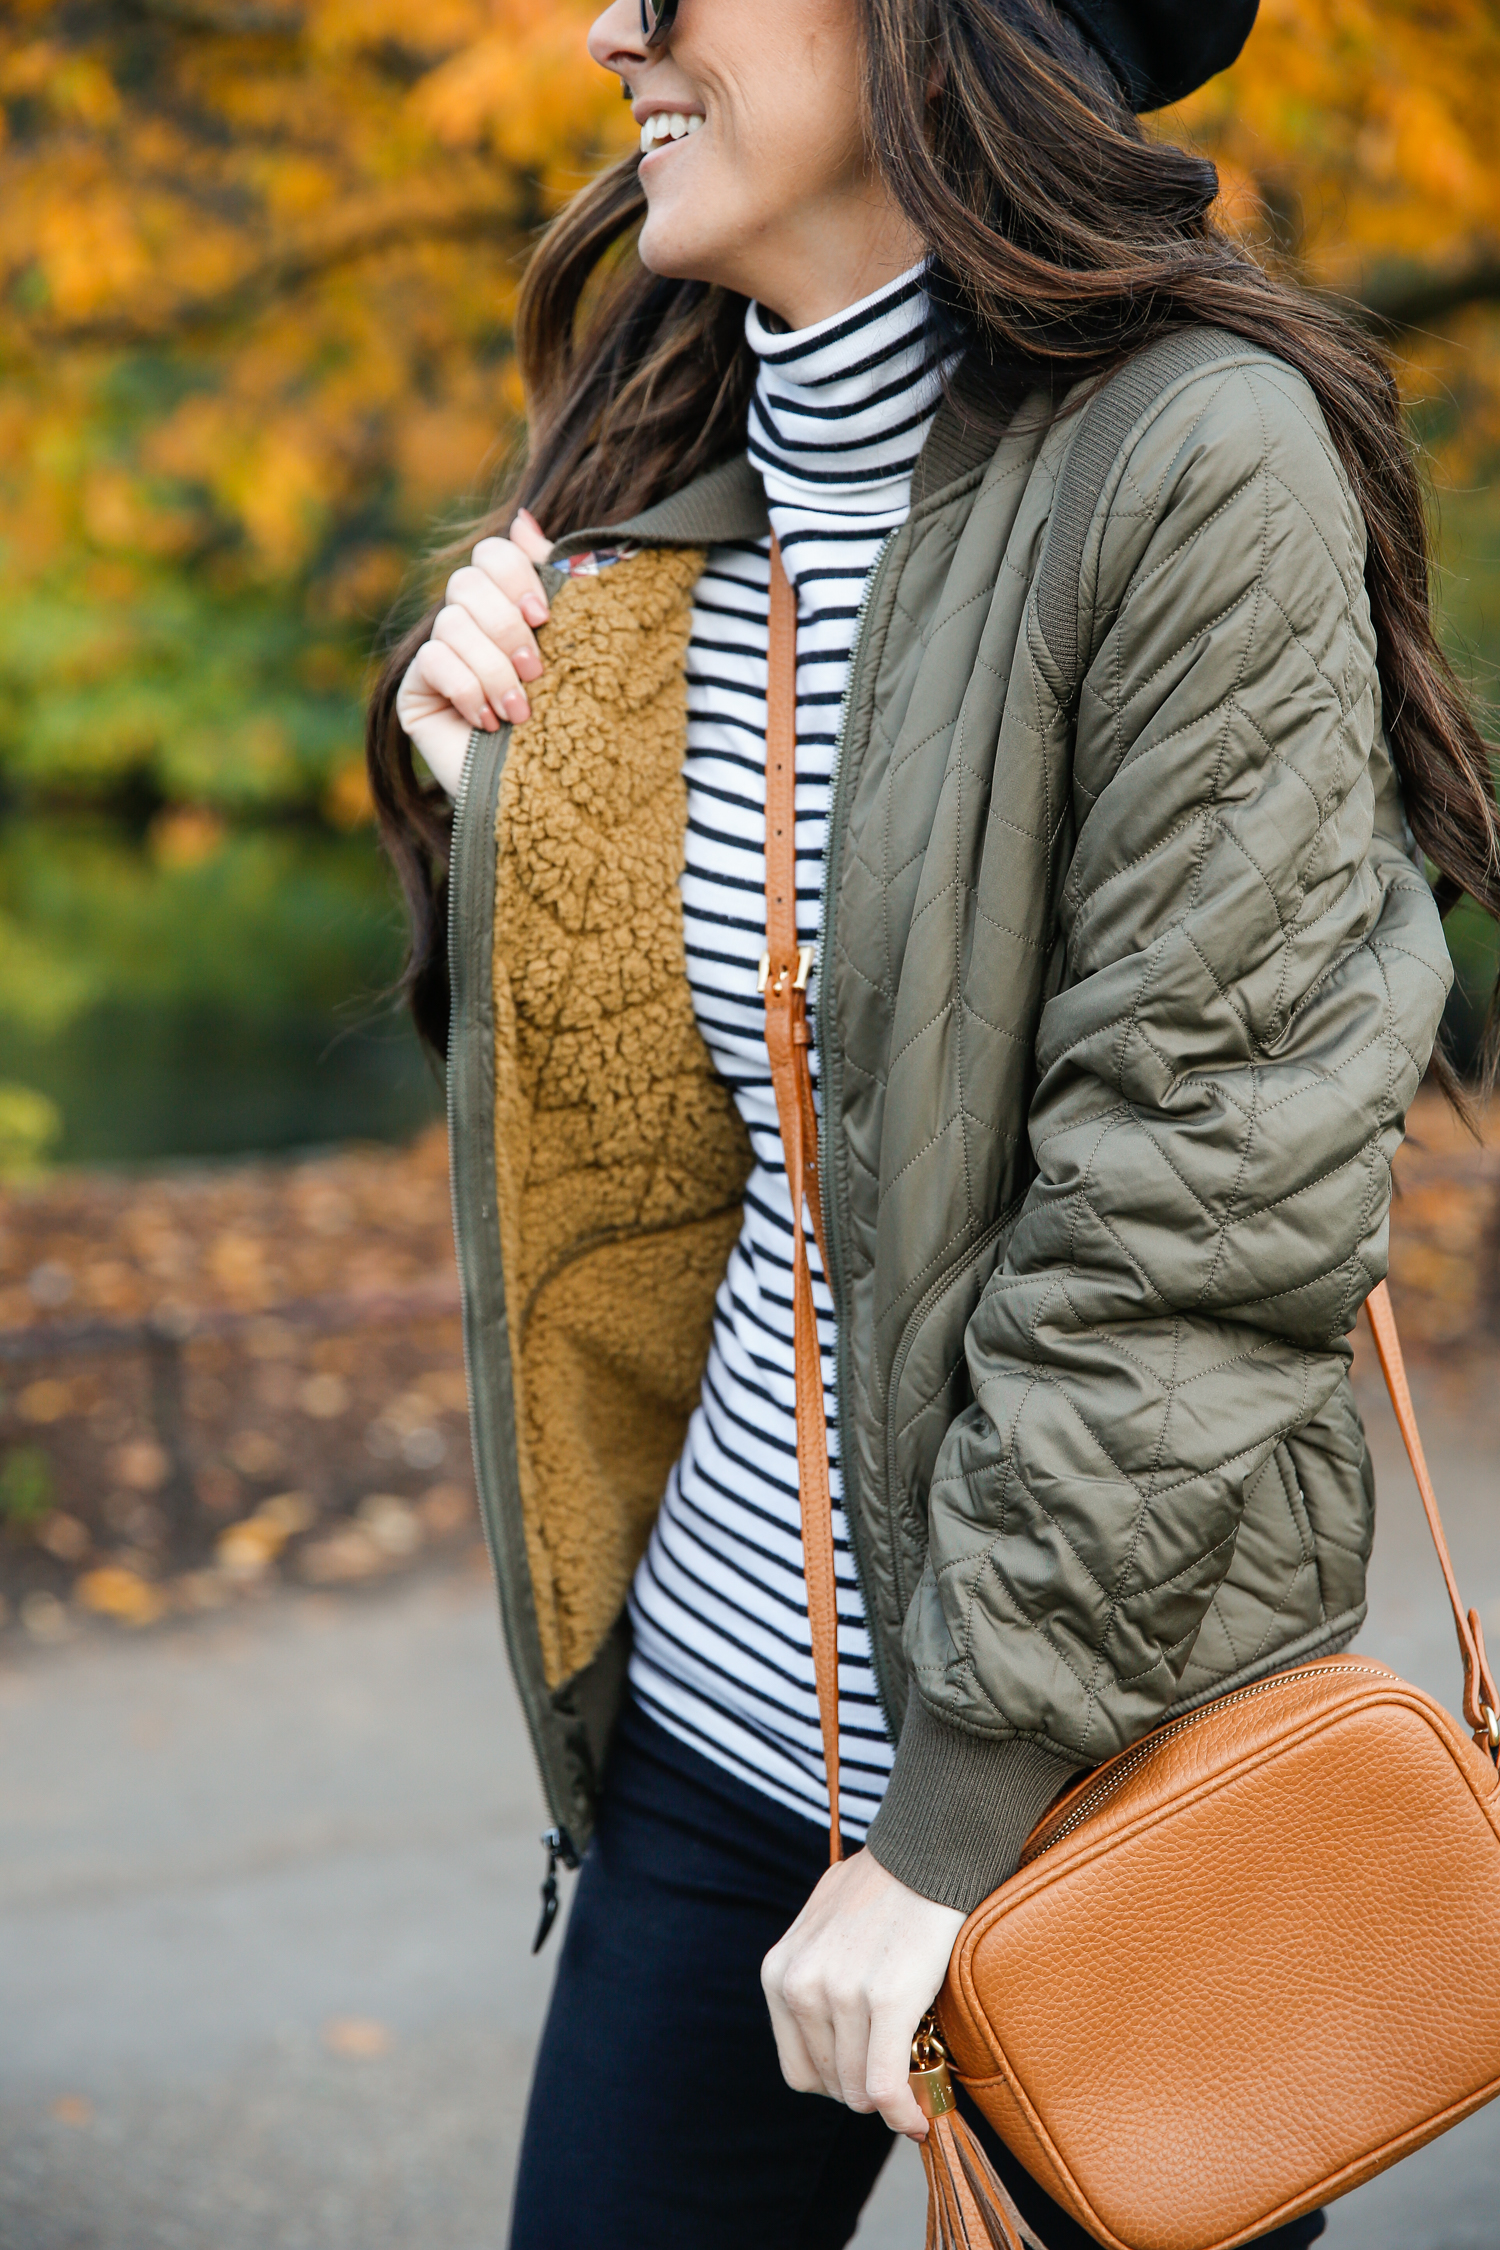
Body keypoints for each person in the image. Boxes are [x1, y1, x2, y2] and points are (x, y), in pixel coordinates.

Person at [366, 1, 1500, 2243]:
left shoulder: (1194, 461)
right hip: (708, 1734)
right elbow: (651, 1157)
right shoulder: (657, 494)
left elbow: (1195, 1203)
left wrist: (944, 1825)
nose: (612, 28)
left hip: (1098, 1776)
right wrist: (470, 780)